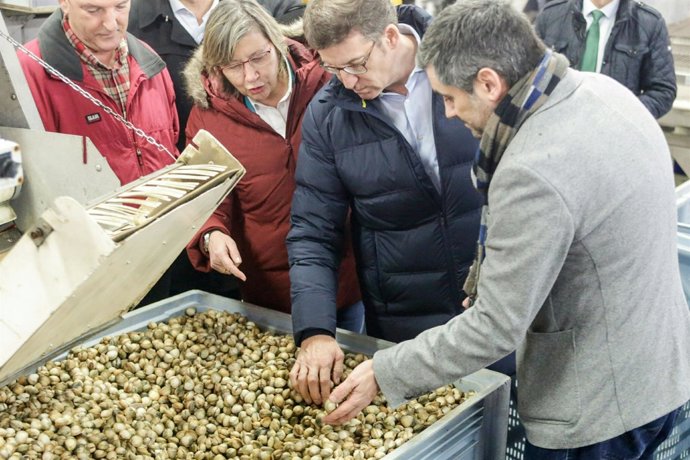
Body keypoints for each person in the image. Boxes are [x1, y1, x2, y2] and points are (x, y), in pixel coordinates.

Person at [323, 1, 690, 459]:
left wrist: (386, 370)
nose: (449, 114)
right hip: (663, 372)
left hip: (598, 407)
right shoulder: (603, 91)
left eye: (450, 98)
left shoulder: (532, 169)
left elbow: (495, 326)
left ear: (489, 83)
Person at [287, 0, 489, 406]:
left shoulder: (466, 63)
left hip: (490, 301)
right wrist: (316, 331)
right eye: (332, 68)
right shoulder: (328, 116)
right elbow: (313, 232)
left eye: (356, 64)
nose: (346, 81)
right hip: (403, 319)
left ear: (391, 36)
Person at [183, 0, 363, 326]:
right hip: (271, 290)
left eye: (258, 57)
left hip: (348, 270)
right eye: (233, 66)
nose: (250, 75)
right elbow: (203, 194)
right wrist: (212, 234)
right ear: (215, 67)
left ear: (276, 41)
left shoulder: (327, 80)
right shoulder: (208, 116)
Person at [18, 0, 179, 186]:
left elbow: (171, 150)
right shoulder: (25, 73)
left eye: (120, 6)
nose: (111, 24)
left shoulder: (150, 62)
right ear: (64, 3)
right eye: (93, 10)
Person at [535, 0, 676, 119]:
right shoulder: (551, 15)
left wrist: (622, 116)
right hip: (556, 132)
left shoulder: (649, 23)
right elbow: (528, 79)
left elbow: (663, 91)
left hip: (614, 139)